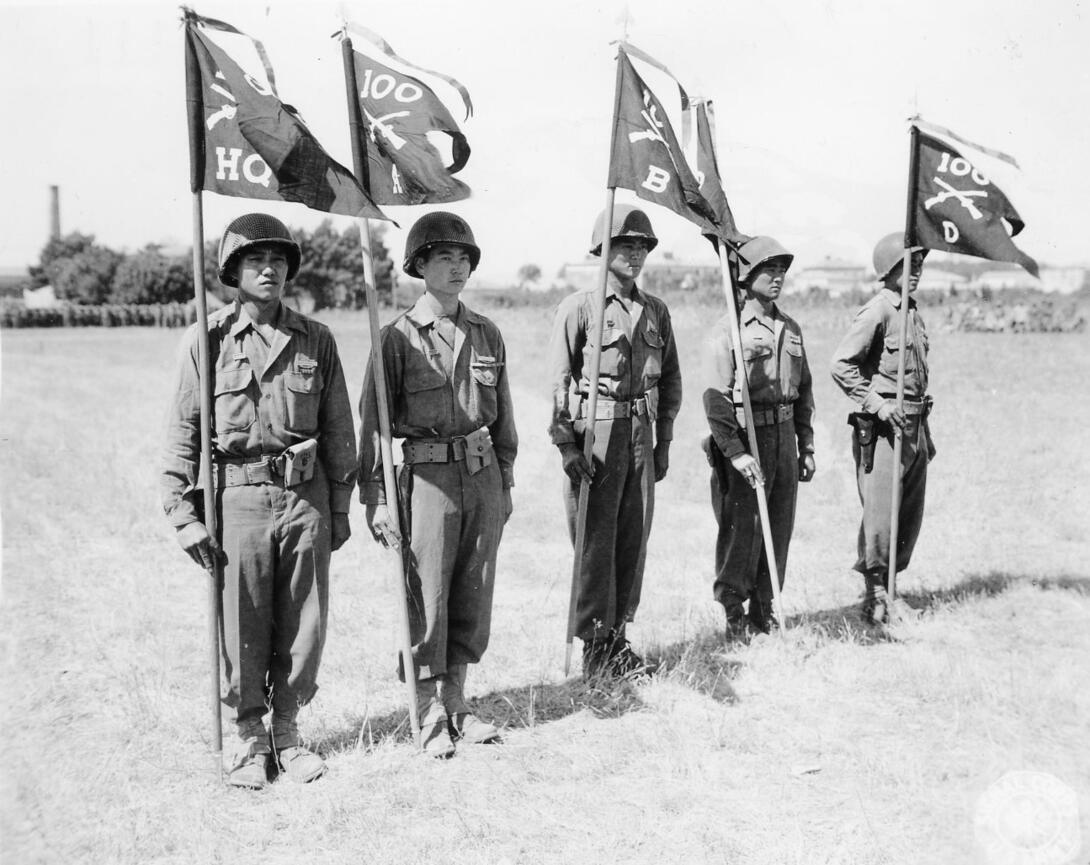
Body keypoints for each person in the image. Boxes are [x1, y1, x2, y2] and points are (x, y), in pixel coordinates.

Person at [161, 213, 356, 788]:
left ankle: (288, 733)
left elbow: (339, 428)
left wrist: (340, 507)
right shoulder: (208, 339)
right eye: (255, 260)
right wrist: (183, 514)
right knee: (240, 620)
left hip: (304, 498)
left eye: (277, 260)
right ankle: (248, 736)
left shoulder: (316, 338)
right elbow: (183, 432)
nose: (268, 270)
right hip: (237, 498)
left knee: (304, 620)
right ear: (233, 272)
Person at [358, 211, 517, 758]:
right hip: (427, 478)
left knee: (474, 588)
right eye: (445, 257)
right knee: (427, 593)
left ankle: (458, 701)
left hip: (481, 475)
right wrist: (378, 499)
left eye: (464, 258)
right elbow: (373, 427)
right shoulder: (396, 338)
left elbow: (503, 418)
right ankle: (426, 711)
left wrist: (505, 481)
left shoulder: (486, 333)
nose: (457, 267)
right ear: (419, 265)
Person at [547, 204, 681, 680]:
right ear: (602, 251)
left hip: (640, 434)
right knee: (595, 543)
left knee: (632, 540)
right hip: (596, 438)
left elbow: (670, 381)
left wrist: (663, 442)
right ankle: (595, 644)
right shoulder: (579, 308)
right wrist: (567, 446)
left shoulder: (656, 311)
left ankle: (619, 638)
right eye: (626, 245)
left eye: (642, 246)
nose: (636, 254)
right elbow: (559, 384)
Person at [701, 237, 815, 639]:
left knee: (779, 526)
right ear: (746, 277)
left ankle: (765, 608)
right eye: (769, 270)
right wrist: (735, 452)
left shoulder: (791, 328)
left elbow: (804, 391)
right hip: (746, 438)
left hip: (783, 437)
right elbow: (715, 400)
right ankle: (734, 611)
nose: (778, 277)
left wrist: (806, 445)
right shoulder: (728, 330)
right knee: (742, 528)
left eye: (782, 270)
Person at [830, 232, 935, 624]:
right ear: (889, 269)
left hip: (914, 424)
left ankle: (892, 589)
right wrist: (877, 403)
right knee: (881, 515)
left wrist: (925, 434)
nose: (915, 272)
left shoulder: (911, 313)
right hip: (884, 428)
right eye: (907, 265)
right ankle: (875, 594)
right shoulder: (878, 311)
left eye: (919, 265)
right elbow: (842, 365)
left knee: (908, 514)